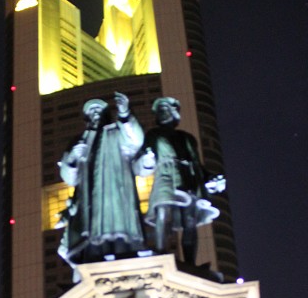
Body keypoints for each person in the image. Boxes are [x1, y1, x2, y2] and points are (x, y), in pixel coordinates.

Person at [58, 93, 146, 273]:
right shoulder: (79, 141)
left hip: (117, 191)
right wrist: (73, 157)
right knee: (92, 232)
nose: (95, 113)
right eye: (91, 111)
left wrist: (125, 113)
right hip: (89, 198)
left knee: (120, 226)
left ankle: (123, 250)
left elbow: (136, 141)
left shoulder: (117, 131)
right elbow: (69, 178)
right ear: (86, 117)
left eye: (99, 109)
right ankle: (95, 253)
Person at [135, 97, 225, 265]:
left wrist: (210, 178)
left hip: (188, 177)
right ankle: (162, 253)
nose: (162, 113)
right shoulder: (153, 135)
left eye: (166, 109)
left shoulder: (187, 138)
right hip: (165, 175)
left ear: (174, 113)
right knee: (163, 212)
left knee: (189, 220)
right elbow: (143, 160)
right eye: (159, 110)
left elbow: (197, 162)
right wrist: (147, 160)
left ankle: (191, 263)